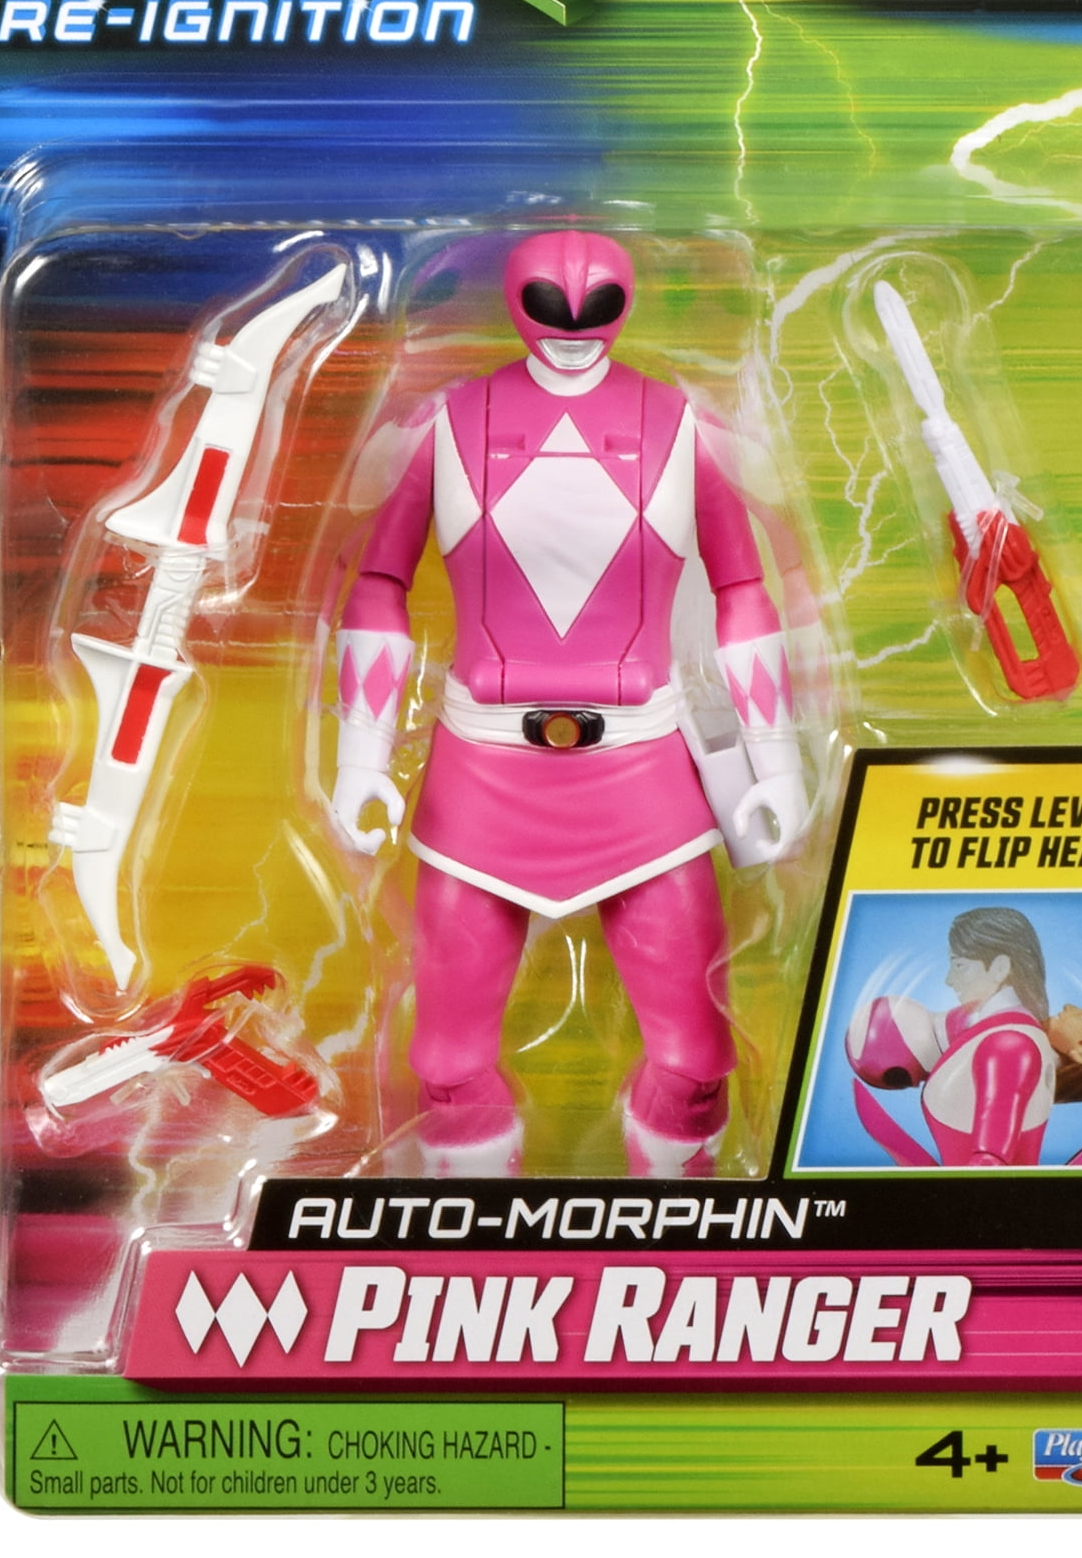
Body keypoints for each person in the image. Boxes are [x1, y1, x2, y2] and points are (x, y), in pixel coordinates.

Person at [329, 231, 808, 1175]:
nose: (575, 326)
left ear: (623, 307)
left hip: (644, 772)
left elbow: (745, 595)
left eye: (598, 307)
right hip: (480, 775)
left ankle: (680, 1234)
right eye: (553, 306)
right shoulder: (445, 428)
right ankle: (470, 1230)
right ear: (518, 303)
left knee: (696, 1062)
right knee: (449, 1067)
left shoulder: (684, 429)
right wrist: (360, 757)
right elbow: (378, 584)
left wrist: (777, 763)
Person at [846, 906, 1082, 1166]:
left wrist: (986, 1164)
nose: (1069, 1006)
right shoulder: (1001, 1026)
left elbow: (994, 1148)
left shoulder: (1014, 1046)